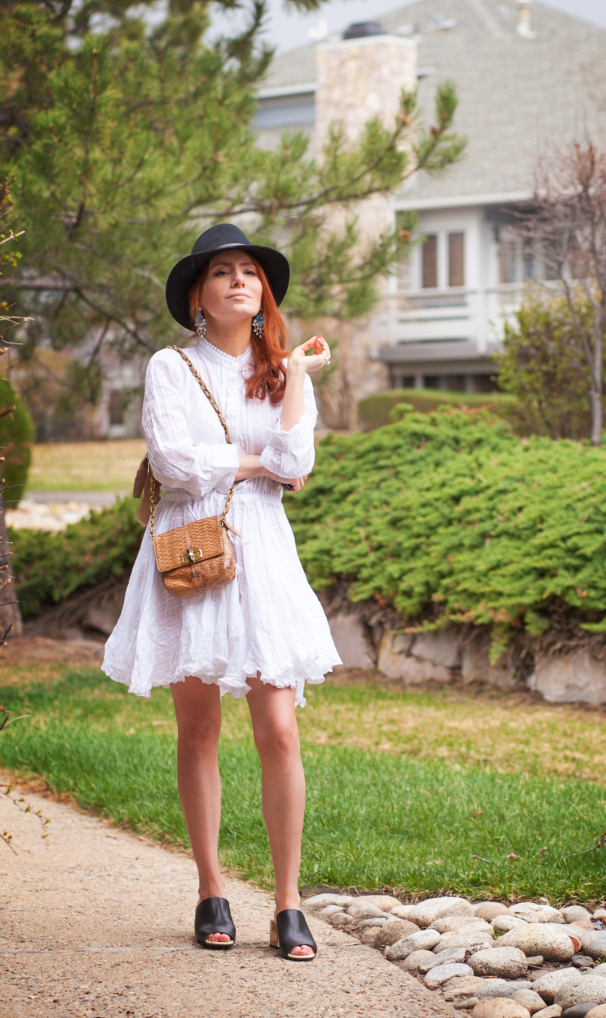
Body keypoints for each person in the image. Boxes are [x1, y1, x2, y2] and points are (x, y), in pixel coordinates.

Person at [101, 223, 341, 961]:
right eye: (223, 273)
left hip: (264, 554)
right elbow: (173, 462)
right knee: (198, 728)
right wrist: (252, 459)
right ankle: (211, 888)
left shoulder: (281, 373)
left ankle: (288, 904)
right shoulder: (170, 366)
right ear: (199, 297)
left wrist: (295, 378)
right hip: (195, 550)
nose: (241, 280)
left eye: (250, 272)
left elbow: (297, 463)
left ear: (262, 293)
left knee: (280, 726)